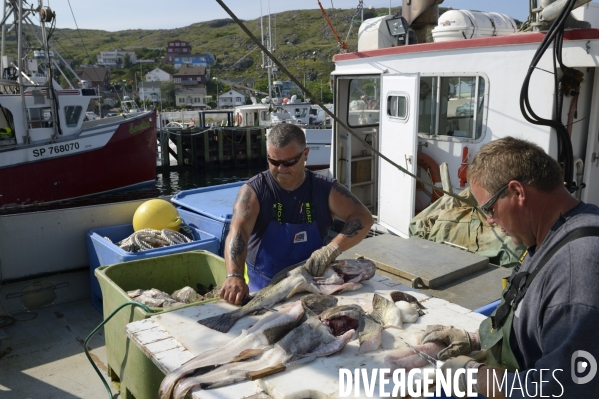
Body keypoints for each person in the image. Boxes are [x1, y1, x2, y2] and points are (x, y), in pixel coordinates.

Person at [421, 137, 599, 398]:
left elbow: (561, 389)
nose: (490, 220)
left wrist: (475, 377)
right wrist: (475, 338)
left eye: (489, 208)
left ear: (517, 192)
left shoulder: (576, 278)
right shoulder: (554, 232)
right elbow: (522, 313)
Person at [220, 123, 374, 304]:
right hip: (263, 288)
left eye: (289, 162)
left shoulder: (325, 189)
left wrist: (332, 249)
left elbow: (363, 218)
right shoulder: (254, 191)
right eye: (274, 162)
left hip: (312, 288)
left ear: (305, 154)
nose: (281, 168)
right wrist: (234, 275)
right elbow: (238, 231)